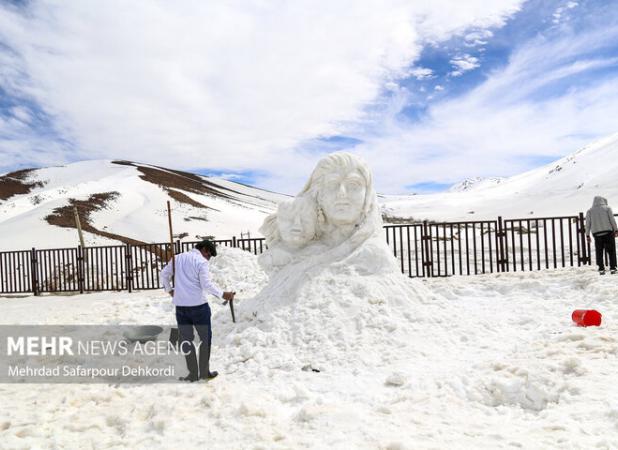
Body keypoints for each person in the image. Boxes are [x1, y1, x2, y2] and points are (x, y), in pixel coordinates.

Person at [160, 240, 235, 382]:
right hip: (199, 307)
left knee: (186, 341)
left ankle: (193, 373)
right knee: (205, 339)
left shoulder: (178, 258)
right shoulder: (201, 262)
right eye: (209, 255)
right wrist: (223, 294)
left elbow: (164, 274)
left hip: (181, 307)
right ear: (205, 250)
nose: (208, 259)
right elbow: (206, 285)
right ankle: (204, 372)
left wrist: (170, 291)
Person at [585, 196, 618, 275]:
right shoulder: (607, 208)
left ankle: (601, 269)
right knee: (611, 251)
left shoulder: (590, 211)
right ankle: (613, 268)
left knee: (599, 252)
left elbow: (588, 224)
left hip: (597, 234)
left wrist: (587, 235)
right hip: (608, 233)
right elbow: (612, 220)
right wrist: (616, 230)